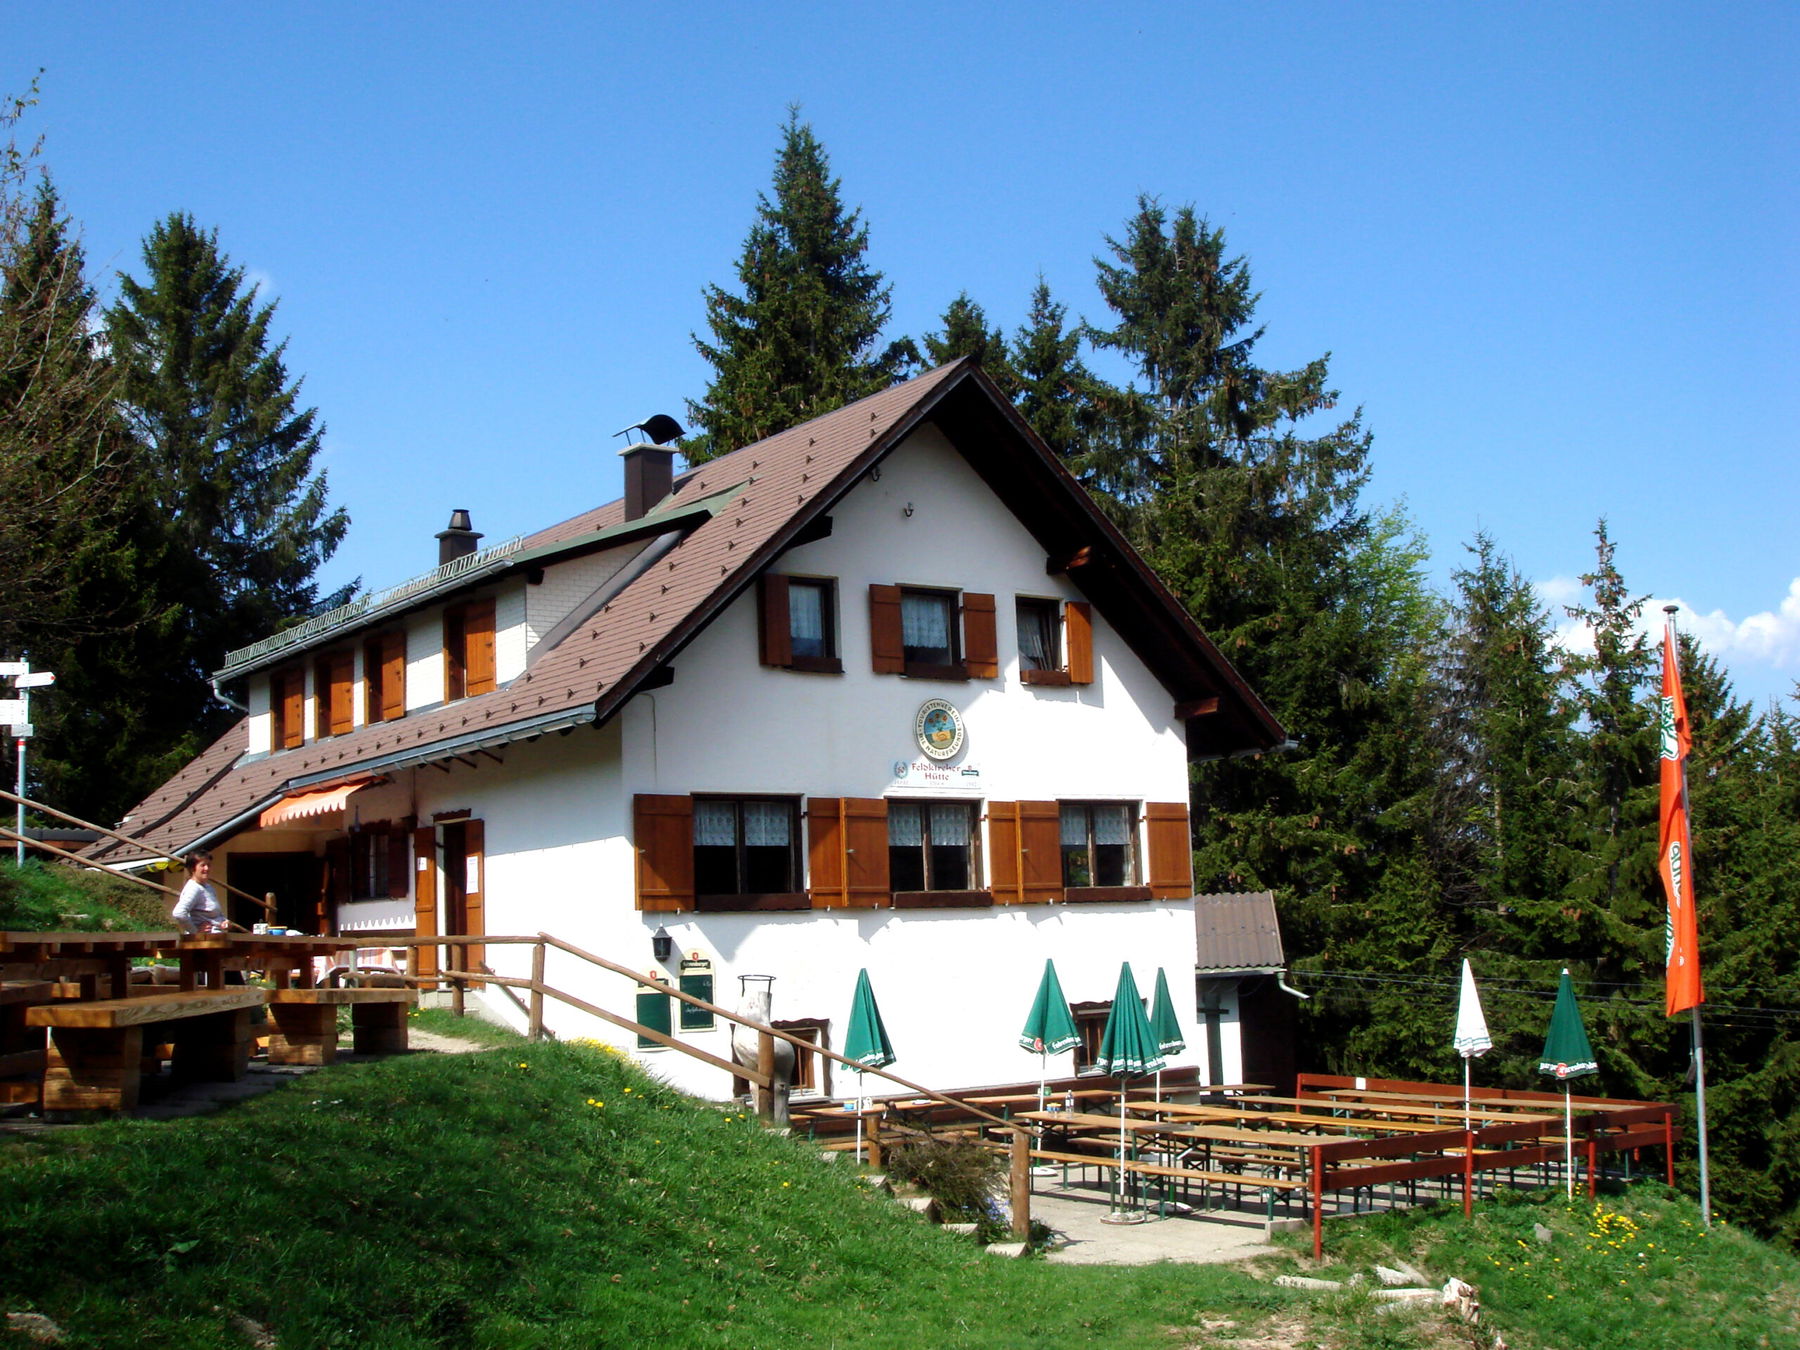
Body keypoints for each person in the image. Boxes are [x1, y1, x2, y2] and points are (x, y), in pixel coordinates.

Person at [172, 850, 229, 934]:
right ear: (192, 868)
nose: (206, 868)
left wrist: (224, 922)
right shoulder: (193, 888)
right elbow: (179, 913)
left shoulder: (208, 888)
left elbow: (217, 914)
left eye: (208, 865)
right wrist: (195, 932)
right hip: (205, 941)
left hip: (217, 937)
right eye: (202, 865)